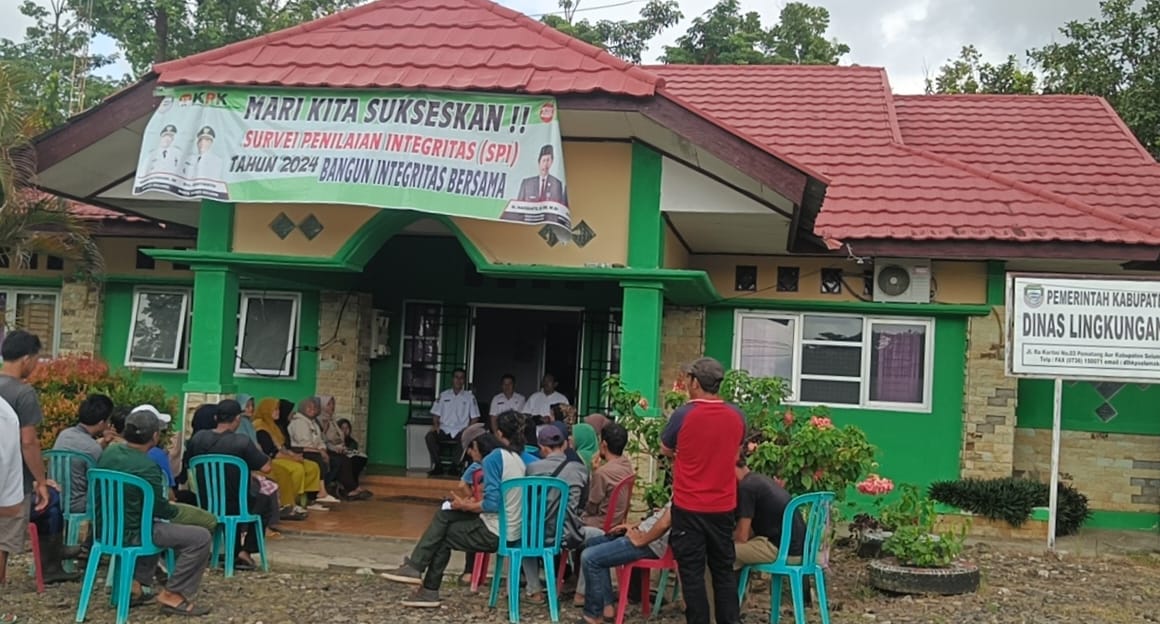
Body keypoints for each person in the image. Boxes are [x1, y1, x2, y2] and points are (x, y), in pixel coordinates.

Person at [382, 411, 527, 608]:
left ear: (477, 445)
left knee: (443, 534)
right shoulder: (515, 457)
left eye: (470, 450)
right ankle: (416, 571)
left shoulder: (493, 459)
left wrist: (466, 505)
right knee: (445, 514)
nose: (470, 455)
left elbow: (492, 504)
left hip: (496, 531)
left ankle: (426, 585)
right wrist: (465, 505)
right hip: (509, 528)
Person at [97, 410, 212, 616]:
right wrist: (177, 510)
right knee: (199, 537)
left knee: (153, 524)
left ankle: (134, 585)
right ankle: (173, 594)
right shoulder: (147, 466)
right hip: (134, 533)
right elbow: (161, 508)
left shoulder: (109, 453)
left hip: (106, 529)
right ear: (155, 436)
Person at [661, 357, 746, 624]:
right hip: (723, 507)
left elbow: (665, 447)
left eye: (688, 379)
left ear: (695, 382)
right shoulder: (737, 415)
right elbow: (736, 451)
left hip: (689, 507)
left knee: (692, 574)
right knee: (723, 571)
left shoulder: (684, 414)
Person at [706, 454, 808, 619]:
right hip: (797, 548)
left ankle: (717, 615)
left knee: (716, 552)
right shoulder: (760, 480)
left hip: (782, 550)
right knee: (732, 553)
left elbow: (742, 536)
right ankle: (736, 607)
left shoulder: (747, 488)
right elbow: (751, 531)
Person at [185, 399, 274, 570]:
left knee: (237, 501)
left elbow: (188, 463)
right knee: (265, 501)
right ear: (237, 419)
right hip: (237, 504)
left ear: (216, 417)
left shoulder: (199, 438)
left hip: (207, 503)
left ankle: (235, 551)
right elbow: (266, 467)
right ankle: (246, 550)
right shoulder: (242, 441)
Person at [0, 331, 50, 588]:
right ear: (27, 359)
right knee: (2, 538)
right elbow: (28, 442)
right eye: (37, 360)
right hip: (10, 478)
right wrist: (41, 481)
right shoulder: (23, 394)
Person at [521, 426, 589, 603]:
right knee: (599, 538)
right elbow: (583, 504)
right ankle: (581, 593)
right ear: (565, 444)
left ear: (542, 447)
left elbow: (527, 501)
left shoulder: (532, 469)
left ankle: (535, 591)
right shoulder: (580, 469)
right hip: (569, 533)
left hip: (538, 535)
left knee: (525, 536)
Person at [578, 502, 673, 624]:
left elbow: (665, 523)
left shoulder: (688, 490)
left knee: (590, 557)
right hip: (642, 534)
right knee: (592, 543)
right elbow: (660, 517)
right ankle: (607, 608)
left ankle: (594, 616)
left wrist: (640, 540)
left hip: (650, 543)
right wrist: (634, 526)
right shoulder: (681, 488)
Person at [253, 397, 320, 516]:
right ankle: (288, 503)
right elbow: (272, 453)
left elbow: (282, 446)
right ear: (267, 411)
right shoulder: (260, 428)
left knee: (312, 466)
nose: (278, 412)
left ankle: (306, 500)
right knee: (296, 469)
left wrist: (293, 455)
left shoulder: (273, 426)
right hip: (270, 460)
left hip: (280, 456)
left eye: (278, 409)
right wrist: (293, 458)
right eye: (275, 409)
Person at [288, 397, 364, 501]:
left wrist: (323, 449)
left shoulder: (313, 422)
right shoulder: (299, 422)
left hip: (317, 450)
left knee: (343, 459)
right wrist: (321, 451)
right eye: (308, 407)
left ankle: (342, 488)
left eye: (314, 407)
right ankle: (322, 491)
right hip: (302, 450)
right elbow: (305, 443)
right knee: (324, 460)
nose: (312, 409)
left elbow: (320, 440)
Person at [52, 393, 116, 515]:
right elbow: (99, 481)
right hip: (78, 504)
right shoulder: (92, 448)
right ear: (101, 422)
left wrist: (103, 444)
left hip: (56, 497)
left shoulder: (64, 434)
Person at [426, 368, 479, 476]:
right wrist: (436, 426)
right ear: (452, 379)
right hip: (444, 429)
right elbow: (436, 414)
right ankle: (438, 466)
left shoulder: (469, 397)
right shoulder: (444, 395)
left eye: (461, 378)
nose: (458, 380)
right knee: (429, 436)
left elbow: (475, 418)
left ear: (464, 380)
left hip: (461, 430)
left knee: (466, 437)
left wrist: (468, 429)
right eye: (456, 377)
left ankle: (455, 467)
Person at [317, 396, 370, 499]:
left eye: (333, 404)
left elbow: (339, 437)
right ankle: (349, 489)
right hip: (327, 449)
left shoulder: (332, 420)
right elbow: (323, 440)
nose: (332, 407)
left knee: (359, 458)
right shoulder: (320, 421)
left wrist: (342, 446)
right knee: (344, 460)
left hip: (339, 447)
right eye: (329, 404)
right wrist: (335, 447)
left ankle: (353, 485)